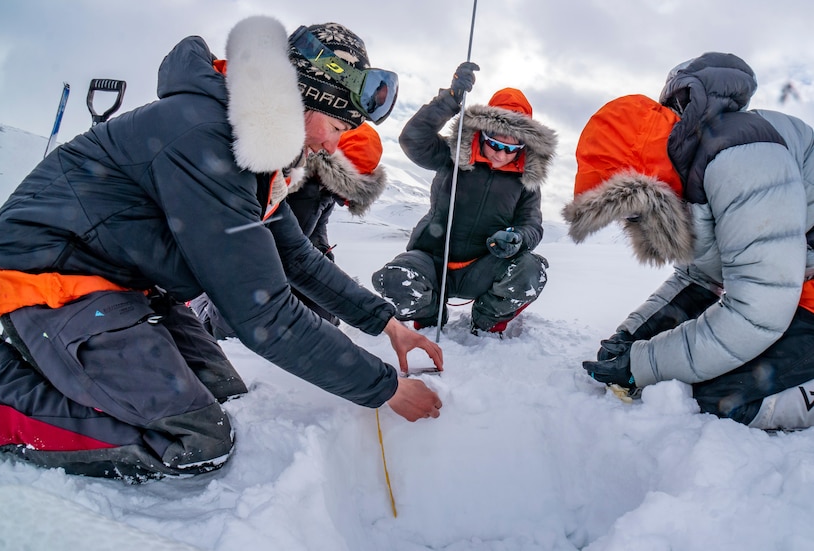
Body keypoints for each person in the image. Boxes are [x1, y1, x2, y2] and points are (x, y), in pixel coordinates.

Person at [0, 16, 444, 480]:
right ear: (305, 100)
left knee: (228, 398)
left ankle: (77, 369)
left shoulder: (254, 151)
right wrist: (386, 389)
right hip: (53, 282)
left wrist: (388, 324)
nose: (333, 147)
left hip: (124, 287)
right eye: (337, 129)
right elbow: (264, 315)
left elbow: (296, 258)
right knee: (200, 438)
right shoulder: (205, 136)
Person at [563, 52, 814, 430]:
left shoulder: (744, 161)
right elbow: (697, 279)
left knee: (717, 397)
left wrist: (642, 364)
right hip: (786, 290)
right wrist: (630, 338)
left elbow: (759, 311)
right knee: (683, 370)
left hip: (798, 297)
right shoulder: (690, 174)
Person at [372, 62, 557, 335]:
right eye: (495, 142)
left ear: (524, 146)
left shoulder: (526, 182)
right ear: (482, 131)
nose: (500, 154)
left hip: (483, 268)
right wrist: (450, 99)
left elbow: (532, 225)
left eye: (511, 148)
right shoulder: (452, 155)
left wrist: (518, 239)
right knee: (395, 279)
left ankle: (486, 322)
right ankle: (429, 315)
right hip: (433, 260)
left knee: (531, 270)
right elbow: (413, 139)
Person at [190, 122, 388, 336]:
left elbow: (315, 236)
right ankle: (200, 300)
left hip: (289, 263)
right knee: (234, 324)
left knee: (323, 317)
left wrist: (324, 265)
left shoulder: (325, 191)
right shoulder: (290, 181)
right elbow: (262, 243)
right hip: (245, 263)